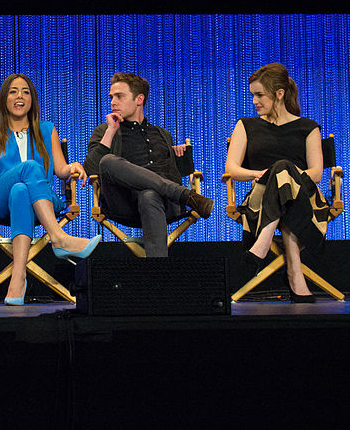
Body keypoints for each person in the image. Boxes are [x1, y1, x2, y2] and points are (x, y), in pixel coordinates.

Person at [0, 74, 101, 306]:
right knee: (29, 170)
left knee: (21, 191)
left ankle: (18, 278)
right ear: (4, 99)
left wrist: (72, 166)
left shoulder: (47, 130)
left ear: (32, 99)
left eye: (25, 91)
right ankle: (59, 238)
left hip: (40, 200)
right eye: (13, 91)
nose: (19, 96)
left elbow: (62, 169)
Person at [225, 63, 329, 303]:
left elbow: (316, 173)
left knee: (283, 168)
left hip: (306, 201)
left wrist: (284, 173)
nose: (254, 101)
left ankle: (263, 238)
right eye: (252, 95)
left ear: (279, 93)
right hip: (261, 200)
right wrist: (262, 174)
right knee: (280, 171)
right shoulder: (246, 125)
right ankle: (295, 273)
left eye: (259, 95)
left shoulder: (308, 127)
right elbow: (231, 169)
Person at [83, 72, 214, 257]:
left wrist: (180, 158)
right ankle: (187, 196)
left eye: (119, 96)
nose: (113, 102)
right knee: (107, 161)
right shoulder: (105, 131)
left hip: (163, 203)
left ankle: (157, 276)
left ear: (139, 99)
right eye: (111, 97)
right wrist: (110, 132)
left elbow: (180, 173)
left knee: (149, 194)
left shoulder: (162, 134)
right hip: (123, 203)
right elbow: (91, 170)